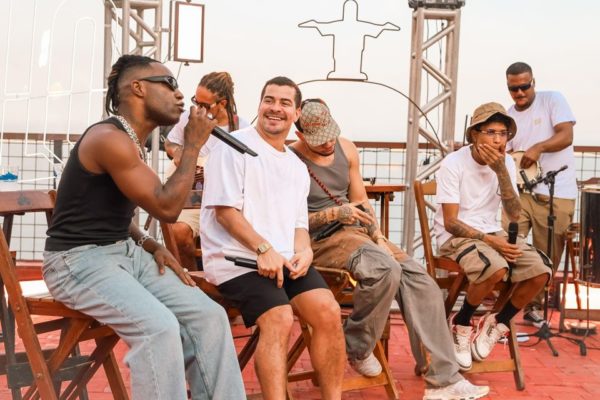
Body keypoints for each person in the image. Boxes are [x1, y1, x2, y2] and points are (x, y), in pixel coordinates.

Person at [42, 55, 245, 400]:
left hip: (123, 252)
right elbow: (167, 207)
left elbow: (106, 212)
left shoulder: (130, 141)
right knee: (158, 329)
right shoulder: (108, 139)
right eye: (169, 83)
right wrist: (194, 144)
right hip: (76, 263)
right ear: (138, 88)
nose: (180, 95)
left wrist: (150, 243)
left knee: (209, 316)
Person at [290, 99, 489, 400]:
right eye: (320, 140)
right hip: (317, 239)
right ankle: (356, 345)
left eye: (331, 133)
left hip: (357, 234)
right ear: (301, 134)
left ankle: (443, 379)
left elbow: (361, 202)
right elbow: (284, 220)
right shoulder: (290, 159)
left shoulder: (347, 148)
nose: (329, 143)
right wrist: (333, 215)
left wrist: (378, 236)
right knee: (384, 269)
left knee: (424, 283)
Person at [200, 77, 345, 399]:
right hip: (235, 260)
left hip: (282, 258)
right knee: (280, 317)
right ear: (260, 104)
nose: (275, 108)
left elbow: (297, 223)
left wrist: (305, 251)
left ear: (296, 115)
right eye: (269, 100)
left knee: (328, 311)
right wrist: (263, 248)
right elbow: (225, 212)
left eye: (284, 103)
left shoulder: (295, 164)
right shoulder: (233, 145)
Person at [435, 102, 552, 373]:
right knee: (496, 268)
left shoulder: (506, 163)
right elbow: (451, 222)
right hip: (456, 235)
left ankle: (497, 323)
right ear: (475, 134)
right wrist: (492, 242)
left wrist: (501, 171)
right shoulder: (453, 163)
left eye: (503, 133)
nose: (498, 139)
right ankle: (462, 323)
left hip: (492, 231)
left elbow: (513, 215)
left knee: (541, 270)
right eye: (490, 132)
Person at [504, 61, 577, 327]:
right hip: (522, 193)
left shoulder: (552, 100)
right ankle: (506, 301)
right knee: (507, 238)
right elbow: (507, 153)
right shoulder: (509, 115)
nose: (520, 93)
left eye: (524, 86)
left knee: (548, 252)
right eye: (514, 89)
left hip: (557, 192)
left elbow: (566, 135)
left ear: (534, 82)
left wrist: (538, 148)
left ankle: (533, 307)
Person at [164, 71, 249, 271]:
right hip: (193, 198)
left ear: (223, 104)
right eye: (196, 102)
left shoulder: (242, 129)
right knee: (177, 232)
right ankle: (192, 279)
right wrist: (178, 153)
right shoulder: (189, 117)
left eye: (205, 105)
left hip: (225, 201)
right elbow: (170, 143)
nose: (199, 109)